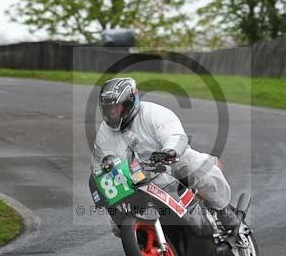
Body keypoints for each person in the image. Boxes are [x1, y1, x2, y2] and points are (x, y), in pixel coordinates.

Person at [91, 77, 242, 232]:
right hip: (136, 179)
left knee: (194, 164)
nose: (113, 112)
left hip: (168, 165)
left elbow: (175, 136)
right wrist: (102, 176)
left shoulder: (153, 113)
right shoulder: (104, 132)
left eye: (117, 107)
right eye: (109, 108)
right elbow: (100, 163)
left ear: (130, 101)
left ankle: (224, 210)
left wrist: (170, 151)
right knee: (117, 227)